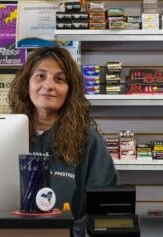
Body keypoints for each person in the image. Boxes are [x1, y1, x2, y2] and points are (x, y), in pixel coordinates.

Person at [8, 46, 118, 236]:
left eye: (59, 79)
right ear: (26, 83)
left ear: (70, 90)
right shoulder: (6, 135)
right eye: (40, 76)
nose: (48, 85)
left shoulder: (88, 140)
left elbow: (103, 211)